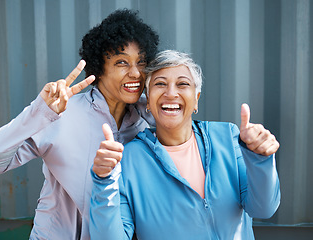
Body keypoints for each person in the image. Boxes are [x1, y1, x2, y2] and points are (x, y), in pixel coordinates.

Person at [0, 9, 159, 240]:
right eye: (122, 62)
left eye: (141, 62)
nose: (135, 73)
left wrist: (158, 114)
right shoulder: (61, 113)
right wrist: (37, 113)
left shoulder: (146, 119)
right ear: (99, 68)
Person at [90, 50, 281, 239]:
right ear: (148, 101)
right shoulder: (129, 159)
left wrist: (260, 159)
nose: (171, 93)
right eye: (160, 84)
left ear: (196, 100)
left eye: (182, 84)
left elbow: (263, 208)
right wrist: (104, 181)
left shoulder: (227, 137)